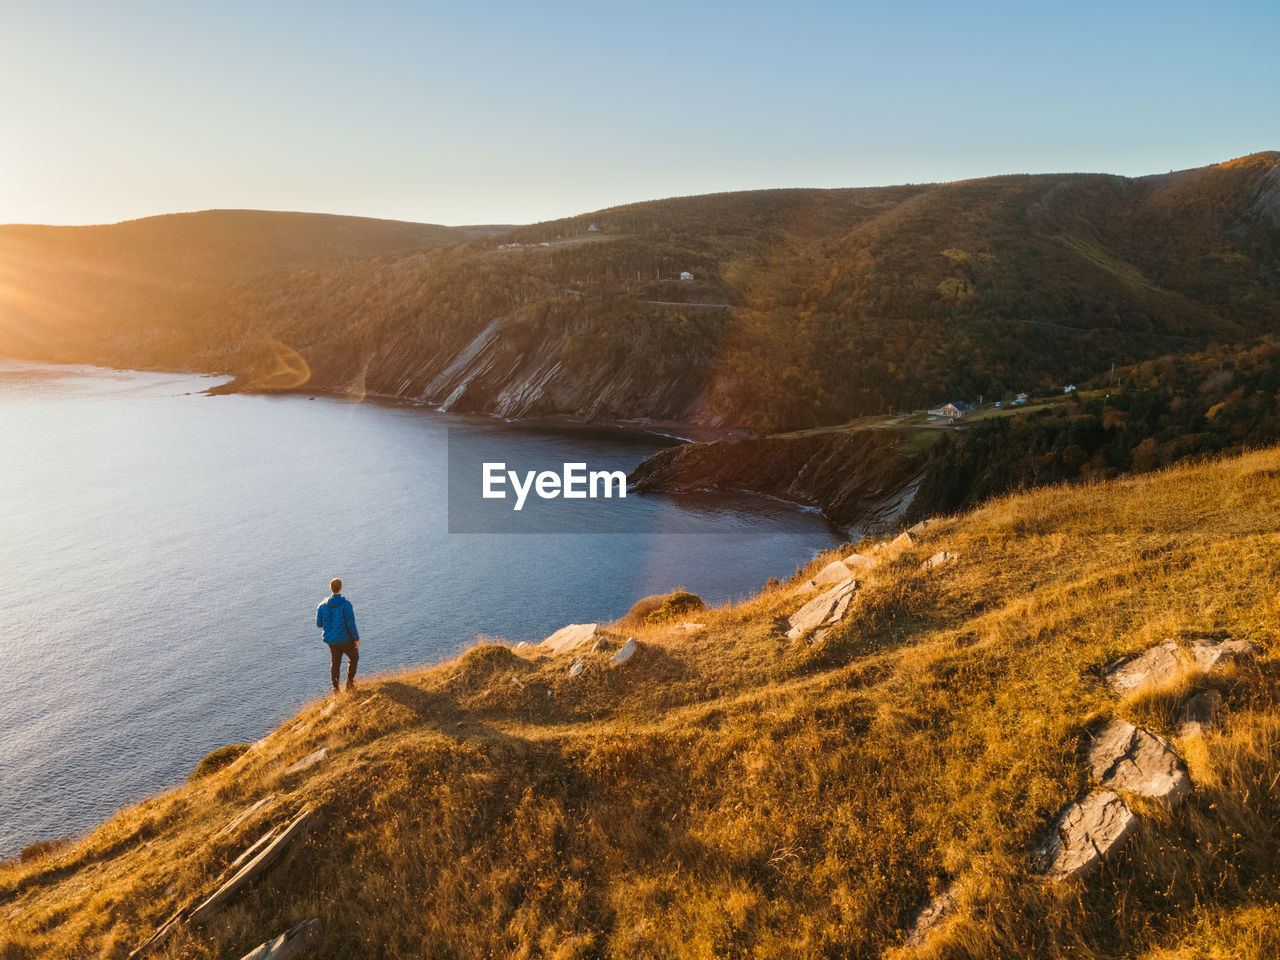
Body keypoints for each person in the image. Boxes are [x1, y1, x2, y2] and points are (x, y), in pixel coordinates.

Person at [316, 577, 360, 693]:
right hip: (345, 639)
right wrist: (356, 639)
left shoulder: (322, 606)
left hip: (331, 641)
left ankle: (336, 689)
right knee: (354, 658)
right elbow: (351, 624)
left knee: (335, 664)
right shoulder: (346, 605)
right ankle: (349, 684)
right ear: (340, 588)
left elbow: (319, 624)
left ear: (331, 588)